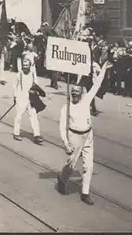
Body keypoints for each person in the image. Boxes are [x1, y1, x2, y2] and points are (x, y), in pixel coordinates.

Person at [57, 61, 112, 205]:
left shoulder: (86, 101)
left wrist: (104, 69)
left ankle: (85, 193)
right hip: (74, 137)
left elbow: (97, 85)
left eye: (77, 91)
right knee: (71, 164)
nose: (75, 93)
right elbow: (62, 128)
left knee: (89, 166)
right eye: (72, 91)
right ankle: (62, 180)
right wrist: (65, 144)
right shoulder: (66, 108)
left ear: (82, 93)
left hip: (88, 136)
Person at [12, 59, 43, 144]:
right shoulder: (19, 75)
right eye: (24, 65)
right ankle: (16, 133)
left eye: (27, 65)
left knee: (33, 116)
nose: (25, 67)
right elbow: (15, 86)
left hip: (31, 98)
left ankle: (37, 135)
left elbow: (36, 84)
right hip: (21, 98)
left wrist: (35, 91)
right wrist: (15, 97)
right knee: (18, 116)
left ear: (30, 66)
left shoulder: (33, 74)